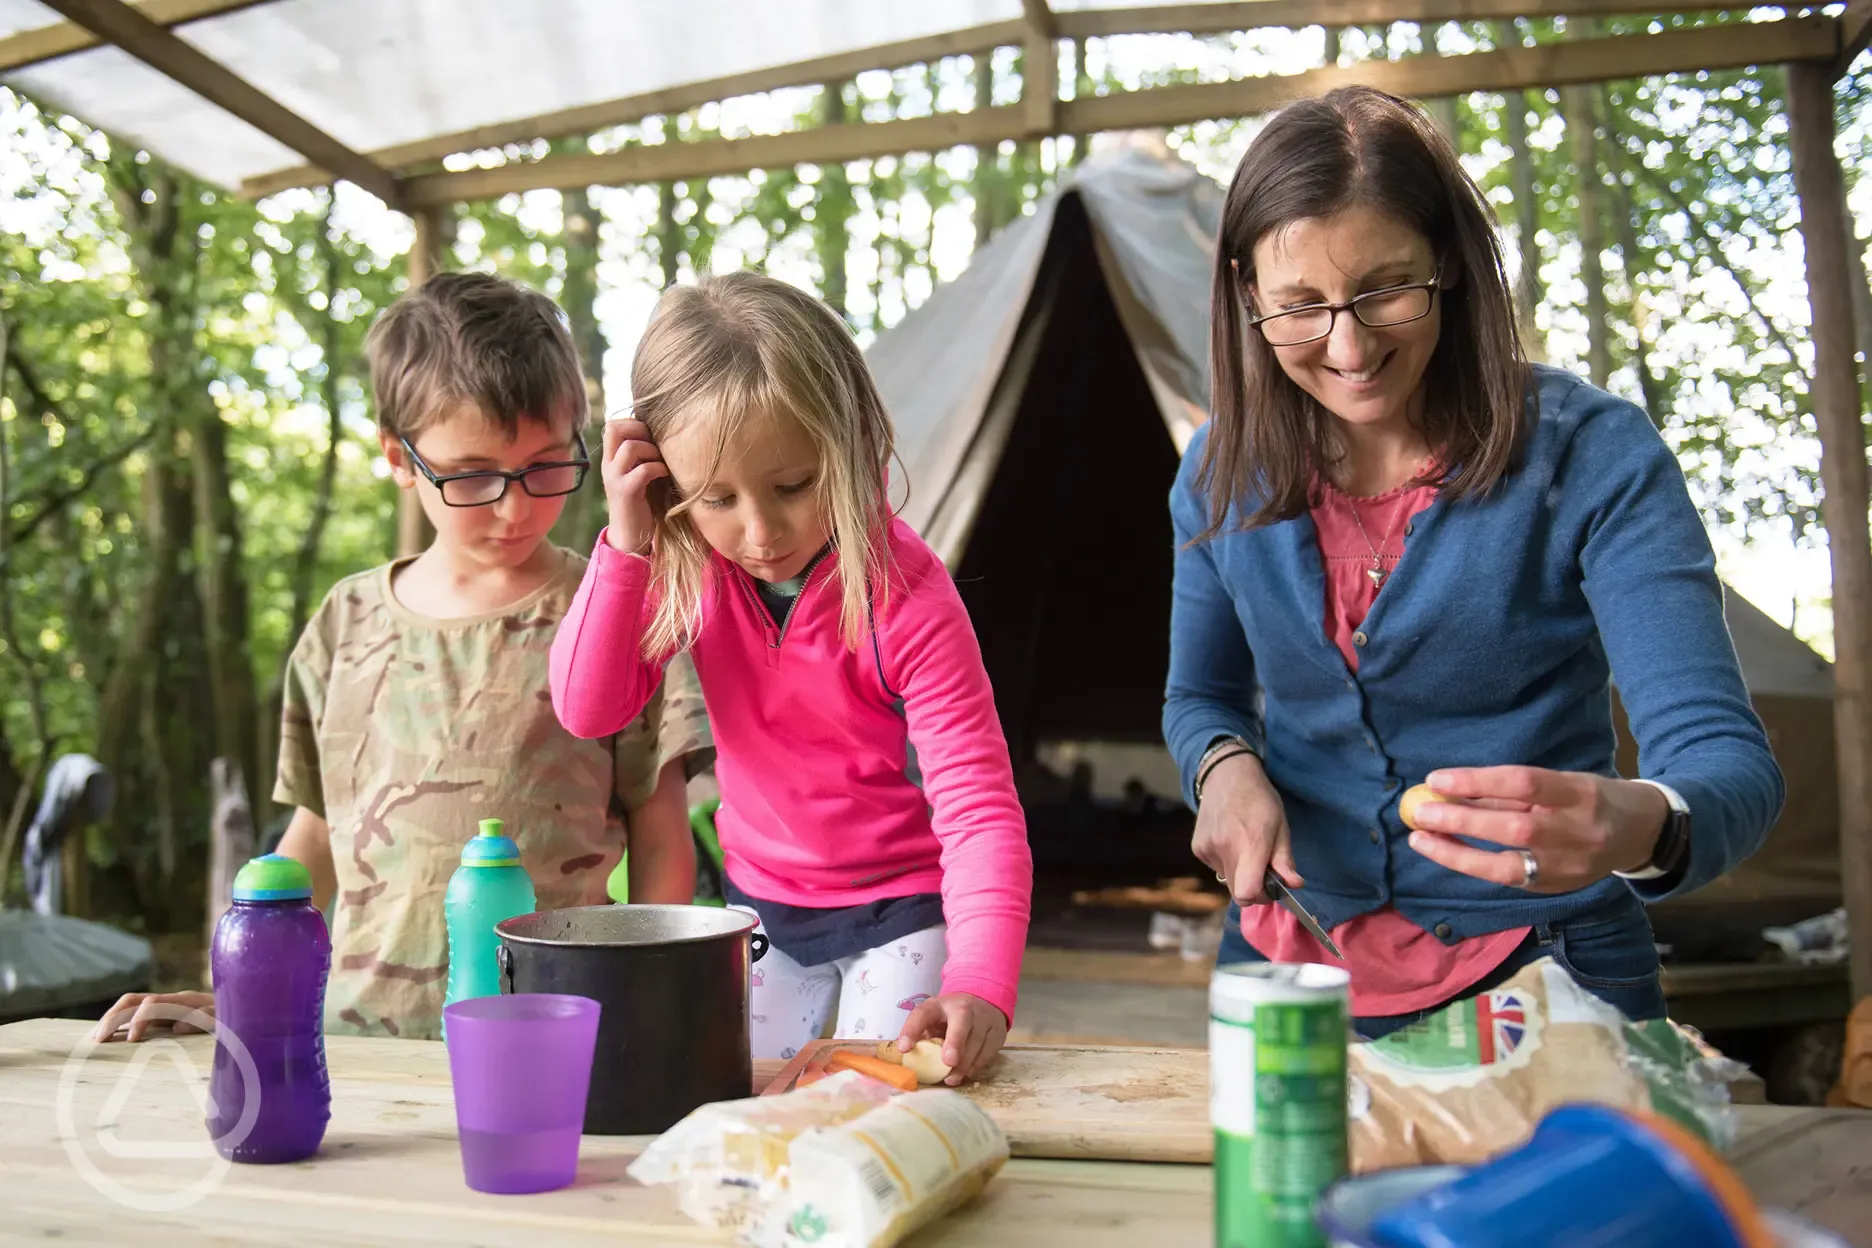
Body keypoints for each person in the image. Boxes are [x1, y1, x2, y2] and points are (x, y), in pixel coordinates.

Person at [1164, 86, 1784, 1039]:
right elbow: (1199, 700)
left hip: (1551, 984)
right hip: (1285, 982)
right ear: (1248, 292)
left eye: (1384, 291)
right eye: (1300, 307)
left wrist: (1637, 823)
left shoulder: (1593, 457)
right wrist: (1223, 769)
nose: (1350, 345)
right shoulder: (1218, 475)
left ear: (1448, 263)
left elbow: (1727, 764)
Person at [97, 272, 712, 1043]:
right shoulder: (343, 624)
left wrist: (651, 1002)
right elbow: (315, 841)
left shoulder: (618, 612)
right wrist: (242, 995)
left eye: (547, 465)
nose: (515, 506)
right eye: (473, 475)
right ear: (399, 456)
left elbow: (662, 842)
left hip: (557, 1043)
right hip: (354, 1049)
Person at [551, 272, 1031, 1080]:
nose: (761, 530)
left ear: (848, 442)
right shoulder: (685, 561)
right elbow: (590, 709)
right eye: (717, 498)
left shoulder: (905, 591)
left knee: (880, 1099)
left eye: (793, 486)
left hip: (902, 916)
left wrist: (980, 983)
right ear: (663, 481)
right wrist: (627, 545)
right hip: (762, 912)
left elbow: (978, 807)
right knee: (740, 1098)